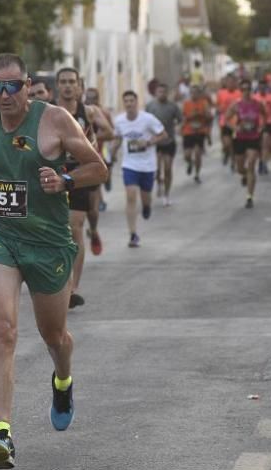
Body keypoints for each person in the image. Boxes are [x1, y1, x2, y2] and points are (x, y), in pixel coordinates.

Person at [0, 53, 106, 470]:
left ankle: (62, 379)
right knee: (3, 328)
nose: (4, 95)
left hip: (47, 242)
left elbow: (97, 167)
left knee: (54, 335)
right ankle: (1, 432)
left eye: (12, 86)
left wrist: (63, 179)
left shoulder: (56, 121)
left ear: (28, 85)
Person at [52, 67, 112, 309]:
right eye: (63, 82)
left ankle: (72, 289)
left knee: (75, 225)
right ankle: (56, 280)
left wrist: (92, 141)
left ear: (78, 86)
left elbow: (109, 131)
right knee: (58, 229)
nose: (67, 86)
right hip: (54, 173)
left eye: (71, 82)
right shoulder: (50, 112)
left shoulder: (88, 112)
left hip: (79, 174)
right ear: (57, 85)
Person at [111, 91, 168, 248]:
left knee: (145, 197)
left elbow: (163, 135)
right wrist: (112, 154)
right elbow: (117, 138)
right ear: (124, 104)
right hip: (129, 165)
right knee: (130, 197)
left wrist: (149, 142)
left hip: (148, 166)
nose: (129, 104)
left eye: (132, 101)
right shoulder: (119, 121)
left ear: (137, 102)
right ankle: (133, 234)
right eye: (126, 101)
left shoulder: (147, 119)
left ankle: (147, 206)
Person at [225, 79, 267, 208]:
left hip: (253, 138)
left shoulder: (258, 104)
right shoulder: (236, 105)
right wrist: (235, 128)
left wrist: (261, 128)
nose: (246, 92)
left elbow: (265, 116)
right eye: (243, 89)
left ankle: (249, 197)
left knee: (251, 164)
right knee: (240, 168)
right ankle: (244, 175)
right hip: (240, 138)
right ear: (240, 91)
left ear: (251, 90)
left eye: (248, 89)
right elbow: (226, 119)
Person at [144, 83, 183, 206]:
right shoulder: (150, 106)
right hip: (155, 142)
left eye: (164, 92)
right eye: (159, 92)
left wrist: (178, 128)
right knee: (156, 168)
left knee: (167, 168)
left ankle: (166, 195)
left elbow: (181, 120)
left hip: (169, 141)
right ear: (156, 93)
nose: (162, 94)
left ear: (167, 93)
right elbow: (144, 122)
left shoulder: (173, 106)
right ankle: (158, 182)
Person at [181, 84, 213, 184]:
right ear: (190, 93)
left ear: (199, 94)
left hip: (200, 131)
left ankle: (197, 174)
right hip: (188, 131)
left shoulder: (204, 103)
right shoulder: (186, 104)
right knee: (187, 155)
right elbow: (183, 118)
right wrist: (191, 116)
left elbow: (209, 117)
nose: (194, 94)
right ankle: (190, 163)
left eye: (196, 93)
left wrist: (202, 114)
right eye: (192, 92)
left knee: (198, 154)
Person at [216, 75, 242, 166]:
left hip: (237, 121)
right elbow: (217, 106)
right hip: (225, 121)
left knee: (234, 143)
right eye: (228, 82)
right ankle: (227, 153)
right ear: (226, 83)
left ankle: (233, 160)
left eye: (232, 82)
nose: (230, 84)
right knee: (227, 143)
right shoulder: (221, 93)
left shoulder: (239, 93)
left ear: (235, 83)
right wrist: (220, 109)